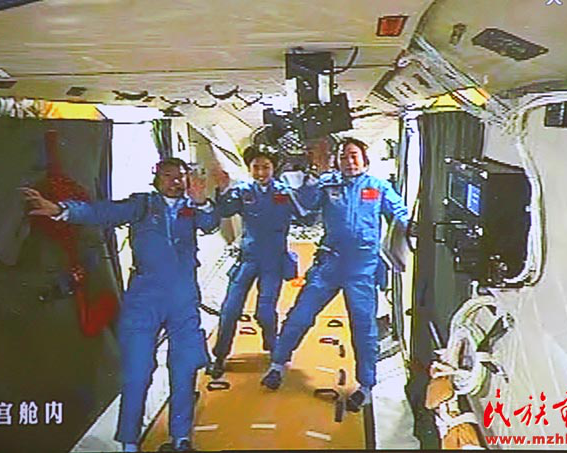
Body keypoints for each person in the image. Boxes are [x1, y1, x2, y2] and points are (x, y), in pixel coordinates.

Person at [21, 157, 219, 452]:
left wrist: (202, 200)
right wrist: (61, 210)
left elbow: (211, 223)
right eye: (168, 176)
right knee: (137, 371)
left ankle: (181, 439)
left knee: (185, 367)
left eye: (180, 176)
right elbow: (102, 212)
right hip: (144, 298)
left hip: (183, 299)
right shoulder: (142, 205)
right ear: (156, 179)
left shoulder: (193, 208)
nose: (175, 181)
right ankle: (129, 443)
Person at [260, 138, 409, 413]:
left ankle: (365, 386)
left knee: (364, 328)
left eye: (353, 155)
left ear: (364, 159)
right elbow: (305, 209)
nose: (349, 161)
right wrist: (315, 175)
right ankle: (277, 365)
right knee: (300, 315)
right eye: (343, 157)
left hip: (362, 268)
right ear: (336, 162)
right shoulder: (327, 184)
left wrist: (411, 227)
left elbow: (400, 214)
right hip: (329, 264)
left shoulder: (378, 187)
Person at [208, 146, 302, 379]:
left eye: (266, 167)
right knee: (229, 310)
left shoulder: (285, 193)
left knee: (265, 312)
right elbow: (225, 211)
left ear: (273, 168)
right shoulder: (242, 191)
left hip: (273, 261)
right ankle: (220, 356)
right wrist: (223, 188)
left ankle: (273, 349)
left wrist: (306, 188)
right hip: (248, 259)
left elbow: (306, 215)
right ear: (249, 169)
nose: (261, 172)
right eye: (256, 167)